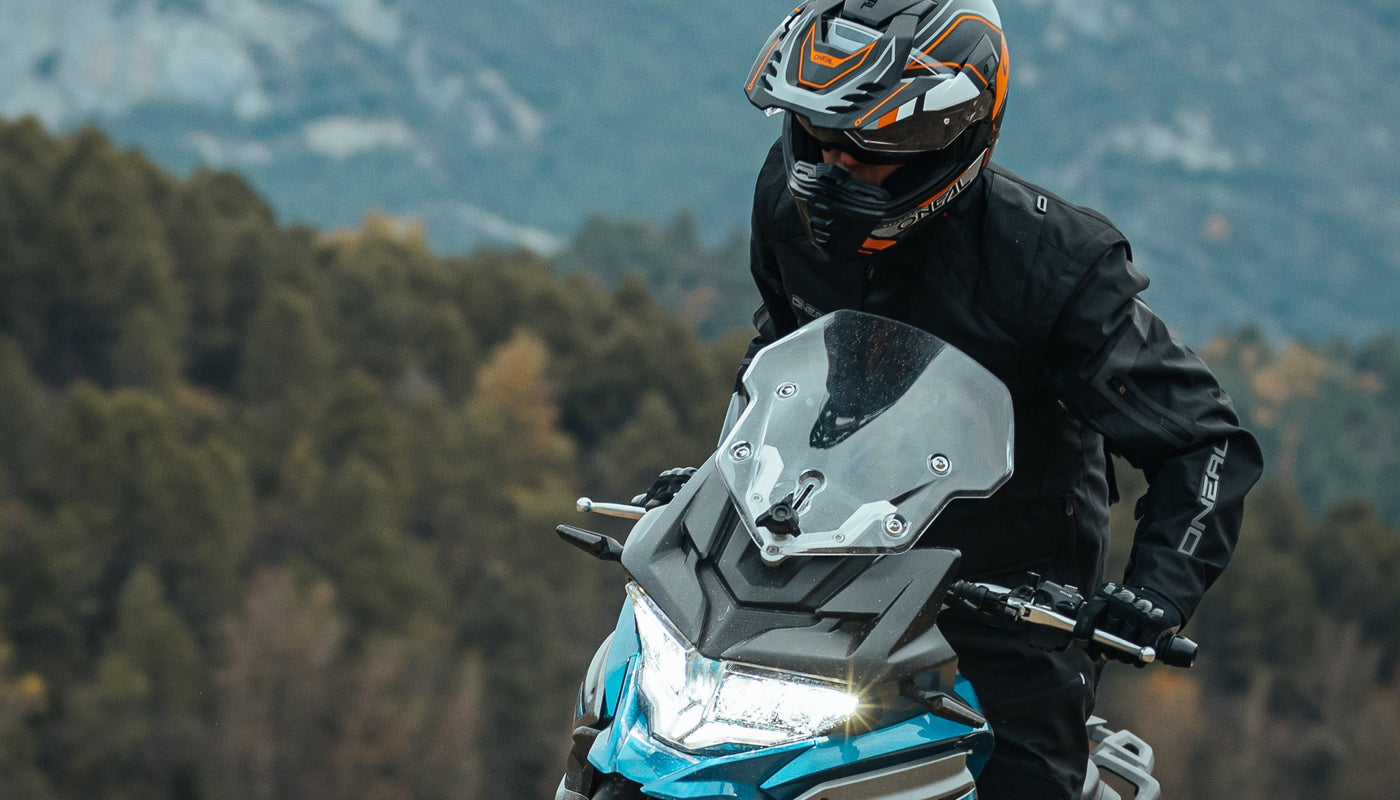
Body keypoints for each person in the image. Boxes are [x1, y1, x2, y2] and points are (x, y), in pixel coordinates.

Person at [636, 1, 1264, 798]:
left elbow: (1204, 442)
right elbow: (781, 354)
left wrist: (1153, 594)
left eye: (864, 148)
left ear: (950, 141)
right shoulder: (788, 202)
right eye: (816, 138)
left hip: (1002, 613)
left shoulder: (1056, 266)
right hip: (814, 585)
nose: (830, 170)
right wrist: (715, 484)